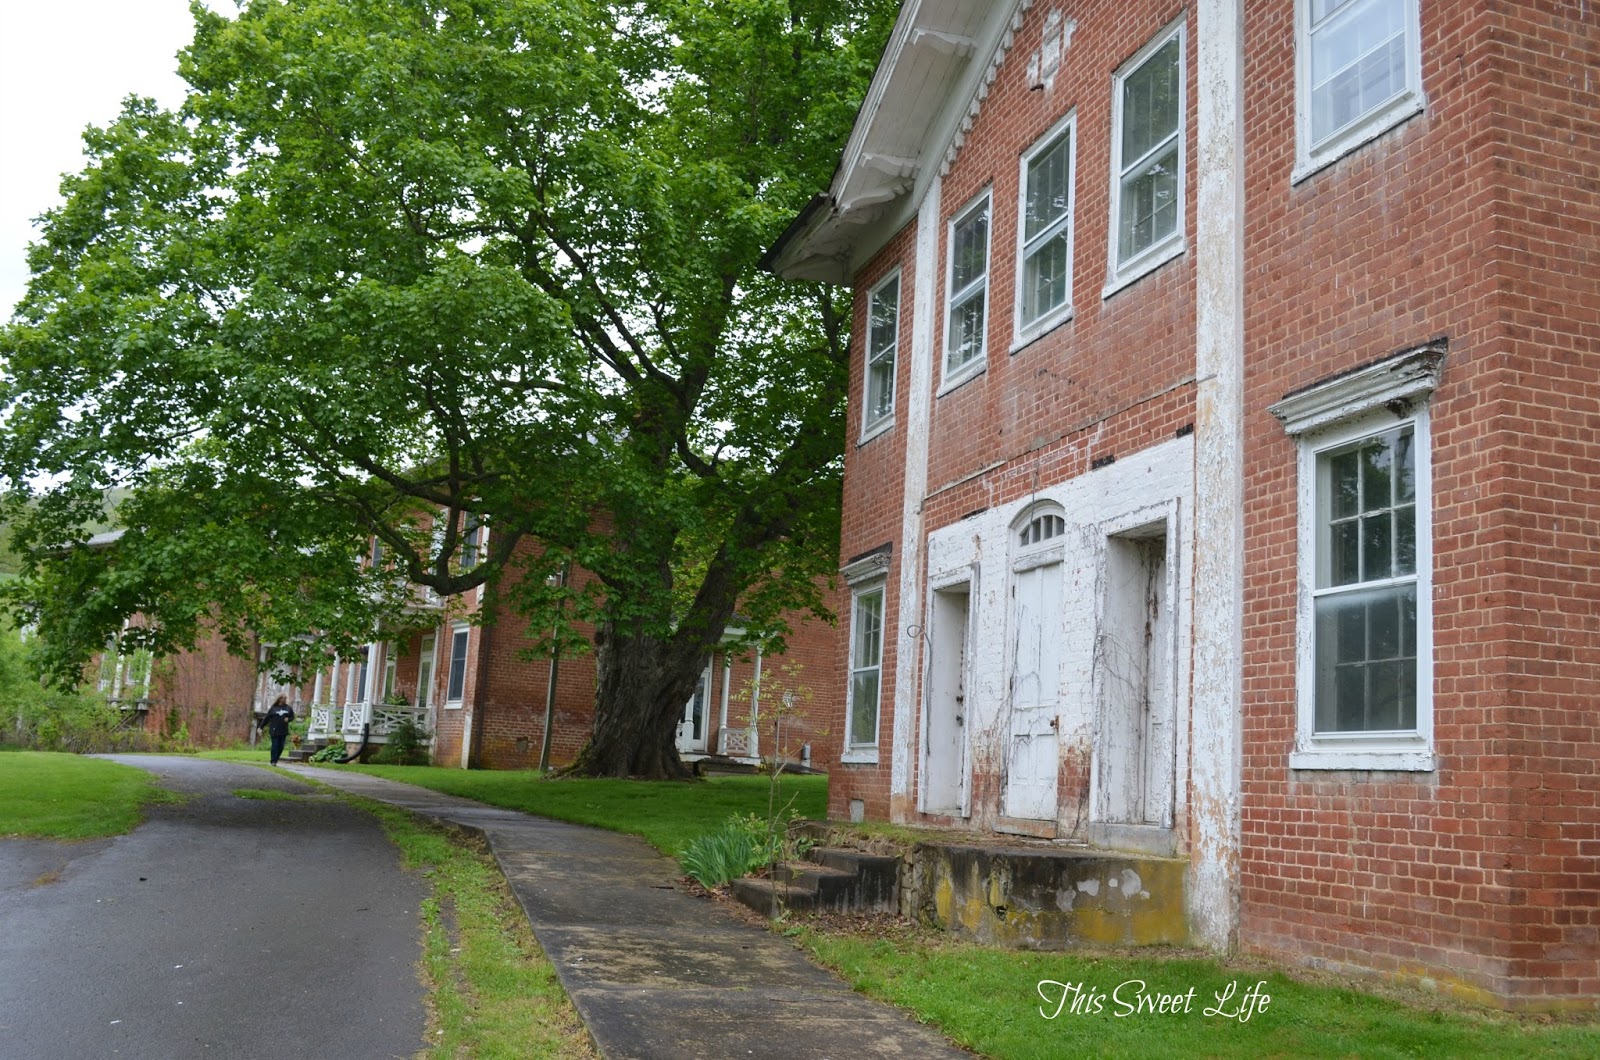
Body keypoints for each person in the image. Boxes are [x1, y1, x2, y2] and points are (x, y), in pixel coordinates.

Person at [258, 695, 296, 765]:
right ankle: (273, 761)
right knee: (275, 745)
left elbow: (292, 716)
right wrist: (261, 727)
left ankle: (276, 758)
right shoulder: (273, 708)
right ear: (279, 699)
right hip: (274, 729)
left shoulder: (288, 708)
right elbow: (267, 718)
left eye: (286, 698)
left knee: (281, 746)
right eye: (284, 698)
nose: (285, 699)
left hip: (283, 730)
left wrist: (289, 719)